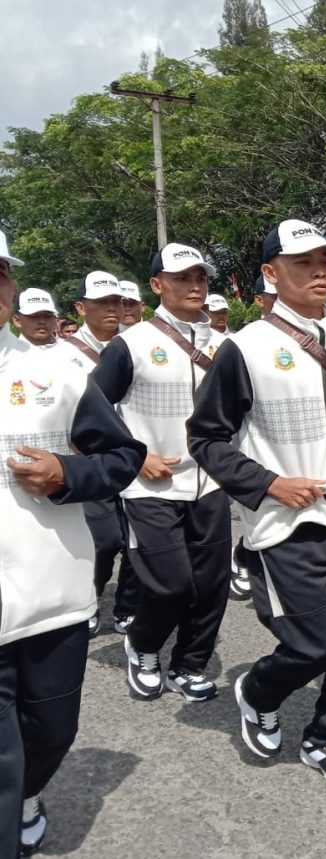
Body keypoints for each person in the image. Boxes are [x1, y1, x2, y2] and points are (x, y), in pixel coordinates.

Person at [188, 218, 326, 782]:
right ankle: (257, 689)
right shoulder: (245, 349)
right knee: (314, 643)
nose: (319, 271)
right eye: (302, 263)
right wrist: (267, 485)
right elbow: (206, 438)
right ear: (271, 274)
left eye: (324, 261)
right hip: (284, 522)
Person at [0, 233, 145, 858]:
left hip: (50, 600)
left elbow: (122, 456)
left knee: (52, 731)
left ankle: (28, 791)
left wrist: (68, 475)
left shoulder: (53, 370)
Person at [91, 243, 231, 703]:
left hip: (210, 483)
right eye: (182, 277)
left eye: (200, 278)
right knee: (170, 583)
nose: (194, 285)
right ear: (157, 285)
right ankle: (144, 646)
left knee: (210, 586)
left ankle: (189, 665)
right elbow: (91, 413)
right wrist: (134, 455)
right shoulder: (130, 345)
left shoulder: (225, 346)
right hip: (151, 484)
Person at [66, 272, 142, 636]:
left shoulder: (136, 346)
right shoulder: (63, 354)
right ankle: (88, 600)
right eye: (101, 303)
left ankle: (127, 606)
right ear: (81, 308)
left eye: (117, 302)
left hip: (137, 460)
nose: (112, 309)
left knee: (138, 542)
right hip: (91, 462)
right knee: (105, 540)